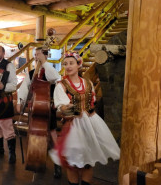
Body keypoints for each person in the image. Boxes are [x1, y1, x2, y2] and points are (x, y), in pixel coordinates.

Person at [50, 51, 120, 185]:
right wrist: (70, 109)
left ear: (78, 65)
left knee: (88, 161)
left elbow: (92, 101)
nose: (68, 66)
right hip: (73, 126)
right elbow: (62, 107)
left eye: (71, 63)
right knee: (73, 162)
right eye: (65, 64)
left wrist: (88, 110)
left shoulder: (88, 83)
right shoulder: (61, 85)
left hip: (91, 124)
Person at [16, 47, 62, 178]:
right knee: (35, 137)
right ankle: (37, 162)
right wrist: (20, 102)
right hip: (34, 109)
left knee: (52, 137)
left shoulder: (51, 70)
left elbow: (55, 78)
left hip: (48, 108)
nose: (37, 57)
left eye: (39, 54)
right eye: (35, 55)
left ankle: (57, 165)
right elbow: (25, 88)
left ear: (45, 56)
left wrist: (44, 62)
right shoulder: (31, 73)